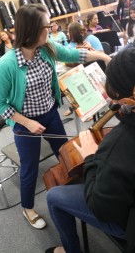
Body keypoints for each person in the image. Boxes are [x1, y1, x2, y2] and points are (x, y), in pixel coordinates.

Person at [0, 3, 110, 230]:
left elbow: (73, 53)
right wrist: (27, 122)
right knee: (30, 167)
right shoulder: (6, 65)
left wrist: (104, 57)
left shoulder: (46, 48)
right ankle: (28, 208)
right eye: (47, 25)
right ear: (33, 30)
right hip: (25, 124)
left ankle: (79, 193)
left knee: (67, 156)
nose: (52, 28)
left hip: (50, 114)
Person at [46, 47, 135, 253]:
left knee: (54, 197)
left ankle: (69, 250)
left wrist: (91, 158)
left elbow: (102, 209)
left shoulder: (118, 145)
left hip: (127, 221)